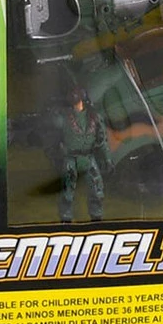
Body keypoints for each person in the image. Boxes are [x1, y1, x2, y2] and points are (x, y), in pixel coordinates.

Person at [57, 85, 110, 223]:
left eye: (76, 95)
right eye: (72, 95)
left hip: (88, 157)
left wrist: (107, 159)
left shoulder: (94, 117)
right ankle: (66, 219)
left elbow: (102, 139)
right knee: (67, 192)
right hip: (71, 158)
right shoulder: (63, 118)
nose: (74, 97)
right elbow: (54, 137)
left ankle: (96, 217)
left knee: (97, 190)